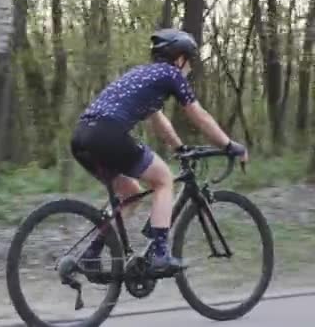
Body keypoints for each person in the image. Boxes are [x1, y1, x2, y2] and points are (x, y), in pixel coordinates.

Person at [70, 28, 248, 275]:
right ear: (180, 58)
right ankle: (160, 254)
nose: (190, 68)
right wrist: (229, 145)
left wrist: (179, 148)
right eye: (190, 61)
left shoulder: (142, 75)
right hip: (108, 135)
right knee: (163, 179)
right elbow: (199, 115)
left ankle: (91, 253)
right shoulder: (171, 74)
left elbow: (158, 120)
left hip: (81, 137)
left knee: (130, 191)